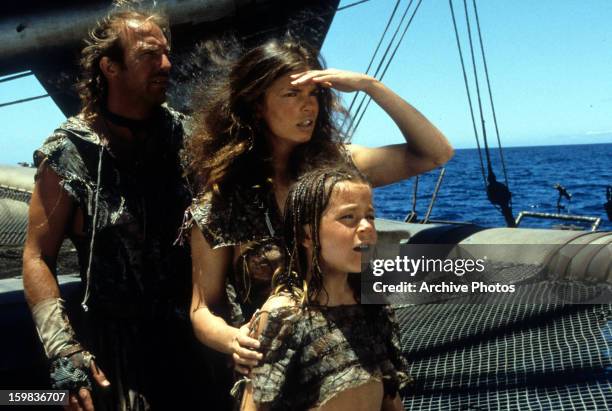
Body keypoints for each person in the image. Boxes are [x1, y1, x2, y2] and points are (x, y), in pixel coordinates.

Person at [185, 39, 453, 376]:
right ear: (257, 105)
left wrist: (370, 86)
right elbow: (202, 310)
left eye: (314, 94)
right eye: (292, 94)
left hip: (359, 361)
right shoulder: (223, 202)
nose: (308, 106)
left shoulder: (339, 168)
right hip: (280, 375)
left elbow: (435, 153)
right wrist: (233, 340)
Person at [22, 10, 198, 411]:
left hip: (192, 334)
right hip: (118, 350)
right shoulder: (69, 152)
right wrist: (63, 351)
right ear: (110, 66)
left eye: (167, 54)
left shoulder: (185, 137)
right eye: (150, 55)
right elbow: (36, 256)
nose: (167, 65)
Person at [237, 165, 410, 410]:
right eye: (348, 217)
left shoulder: (372, 305)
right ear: (306, 235)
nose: (367, 227)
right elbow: (255, 403)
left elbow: (390, 395)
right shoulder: (286, 314)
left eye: (369, 216)